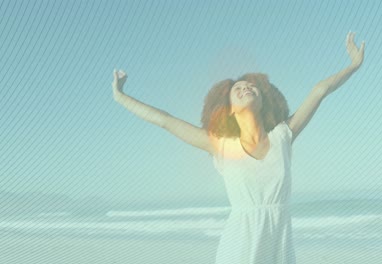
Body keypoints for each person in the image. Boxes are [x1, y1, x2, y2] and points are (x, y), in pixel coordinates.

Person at [112, 32, 365, 264]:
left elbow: (319, 91)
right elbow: (165, 121)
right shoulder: (222, 146)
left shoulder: (282, 136)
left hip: (280, 248)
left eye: (251, 86)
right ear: (230, 110)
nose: (245, 87)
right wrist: (120, 97)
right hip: (239, 251)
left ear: (263, 100)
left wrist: (353, 66)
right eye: (237, 88)